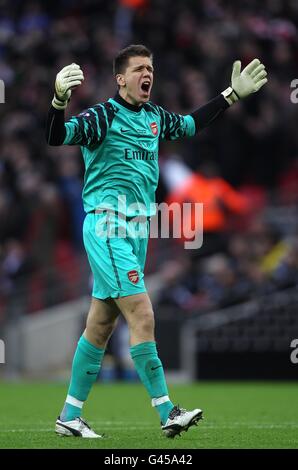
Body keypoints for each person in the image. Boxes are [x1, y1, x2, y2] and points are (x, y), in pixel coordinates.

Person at [46, 44, 267, 438]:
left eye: (151, 68)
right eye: (139, 69)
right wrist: (59, 99)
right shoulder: (102, 116)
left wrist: (229, 96)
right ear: (121, 78)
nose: (148, 75)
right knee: (143, 315)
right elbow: (57, 135)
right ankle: (167, 411)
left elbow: (190, 124)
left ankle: (69, 415)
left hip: (138, 231)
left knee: (99, 327)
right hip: (108, 225)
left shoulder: (154, 117)